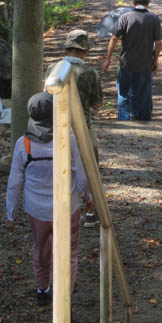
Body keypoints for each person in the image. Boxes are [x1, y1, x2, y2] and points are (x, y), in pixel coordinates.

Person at [6, 91, 93, 306]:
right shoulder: (68, 139)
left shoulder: (23, 144)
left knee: (41, 248)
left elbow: (14, 182)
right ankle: (65, 295)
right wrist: (88, 197)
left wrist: (11, 211)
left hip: (37, 211)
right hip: (67, 208)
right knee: (70, 251)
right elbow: (82, 175)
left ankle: (42, 289)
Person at [45, 29, 103, 228]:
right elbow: (96, 104)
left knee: (59, 167)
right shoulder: (90, 72)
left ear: (67, 48)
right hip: (82, 127)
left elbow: (46, 96)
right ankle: (91, 211)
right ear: (84, 51)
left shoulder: (52, 68)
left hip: (55, 125)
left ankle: (58, 209)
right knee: (89, 167)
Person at [103, 0, 162, 121]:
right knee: (143, 93)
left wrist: (108, 59)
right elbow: (158, 42)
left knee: (123, 92)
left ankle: (124, 119)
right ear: (148, 3)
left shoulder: (125, 17)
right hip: (145, 63)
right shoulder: (154, 18)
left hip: (127, 63)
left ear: (133, 2)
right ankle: (142, 118)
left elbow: (114, 38)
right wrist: (155, 60)